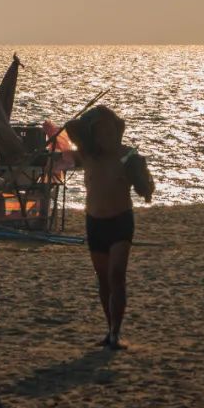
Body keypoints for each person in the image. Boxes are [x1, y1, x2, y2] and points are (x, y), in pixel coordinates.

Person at [64, 105, 153, 350]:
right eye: (102, 132)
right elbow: (71, 128)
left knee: (116, 275)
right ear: (94, 135)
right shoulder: (88, 155)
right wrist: (92, 121)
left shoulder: (127, 155)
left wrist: (143, 183)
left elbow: (144, 184)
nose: (108, 136)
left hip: (120, 221)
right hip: (95, 222)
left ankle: (116, 332)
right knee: (103, 280)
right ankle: (109, 328)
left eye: (112, 131)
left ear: (118, 132)